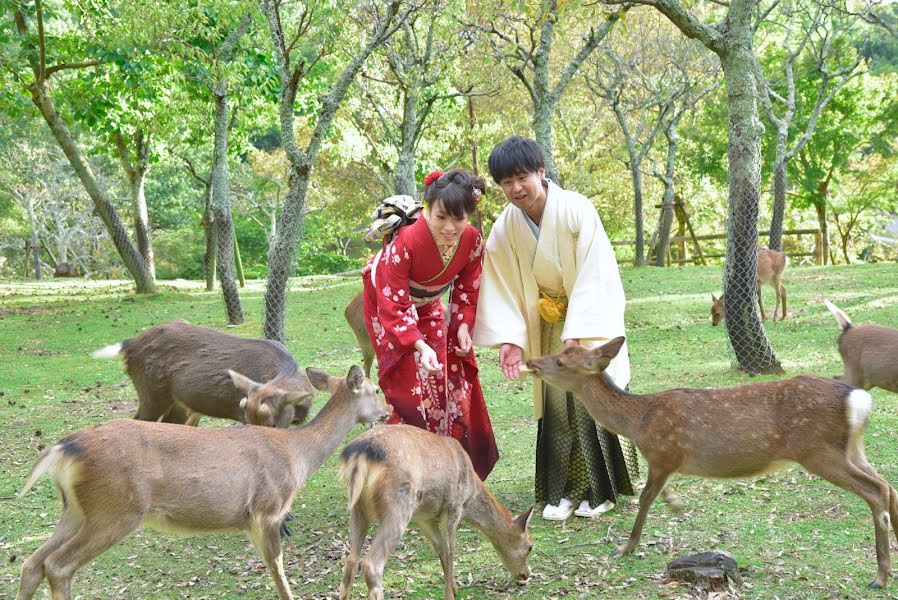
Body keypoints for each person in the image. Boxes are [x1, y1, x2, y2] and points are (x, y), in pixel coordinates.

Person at [473, 136, 638, 520]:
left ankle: (599, 491)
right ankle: (562, 490)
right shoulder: (506, 226)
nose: (515, 189)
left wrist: (577, 332)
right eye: (505, 183)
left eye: (521, 177)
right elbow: (501, 283)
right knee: (555, 407)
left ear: (541, 172)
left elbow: (597, 273)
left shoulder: (577, 210)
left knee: (587, 401)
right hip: (544, 325)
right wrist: (511, 341)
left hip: (582, 327)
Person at [361, 168, 498, 480]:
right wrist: (417, 343)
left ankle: (440, 466)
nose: (450, 228)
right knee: (407, 383)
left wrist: (463, 325)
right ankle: (397, 469)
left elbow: (468, 285)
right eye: (441, 217)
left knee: (441, 381)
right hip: (388, 306)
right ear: (426, 209)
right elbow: (393, 303)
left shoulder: (473, 241)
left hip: (429, 304)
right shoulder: (405, 243)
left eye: (459, 219)